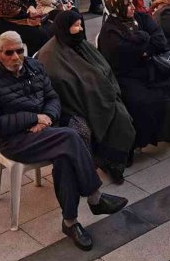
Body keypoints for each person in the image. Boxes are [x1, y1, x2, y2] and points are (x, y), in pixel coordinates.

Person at [0, 31, 128, 251]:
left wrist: (46, 120)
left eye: (20, 51)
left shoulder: (34, 67)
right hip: (15, 141)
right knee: (70, 137)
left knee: (65, 155)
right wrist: (32, 118)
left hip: (46, 131)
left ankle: (70, 222)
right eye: (9, 53)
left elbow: (53, 97)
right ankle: (95, 198)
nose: (16, 57)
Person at [39, 10, 136, 184]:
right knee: (101, 122)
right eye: (75, 26)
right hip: (74, 103)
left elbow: (103, 67)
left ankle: (115, 162)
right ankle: (106, 163)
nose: (81, 29)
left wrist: (102, 88)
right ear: (64, 28)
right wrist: (92, 89)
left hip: (99, 95)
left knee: (122, 117)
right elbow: (61, 84)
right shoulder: (50, 54)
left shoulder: (81, 44)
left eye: (80, 24)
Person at [98, 0, 170, 149]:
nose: (132, 8)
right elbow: (121, 55)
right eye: (127, 5)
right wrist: (145, 45)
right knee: (144, 102)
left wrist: (144, 50)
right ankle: (135, 143)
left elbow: (159, 39)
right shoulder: (110, 31)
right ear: (117, 8)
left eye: (132, 3)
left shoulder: (141, 18)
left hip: (151, 66)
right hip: (128, 75)